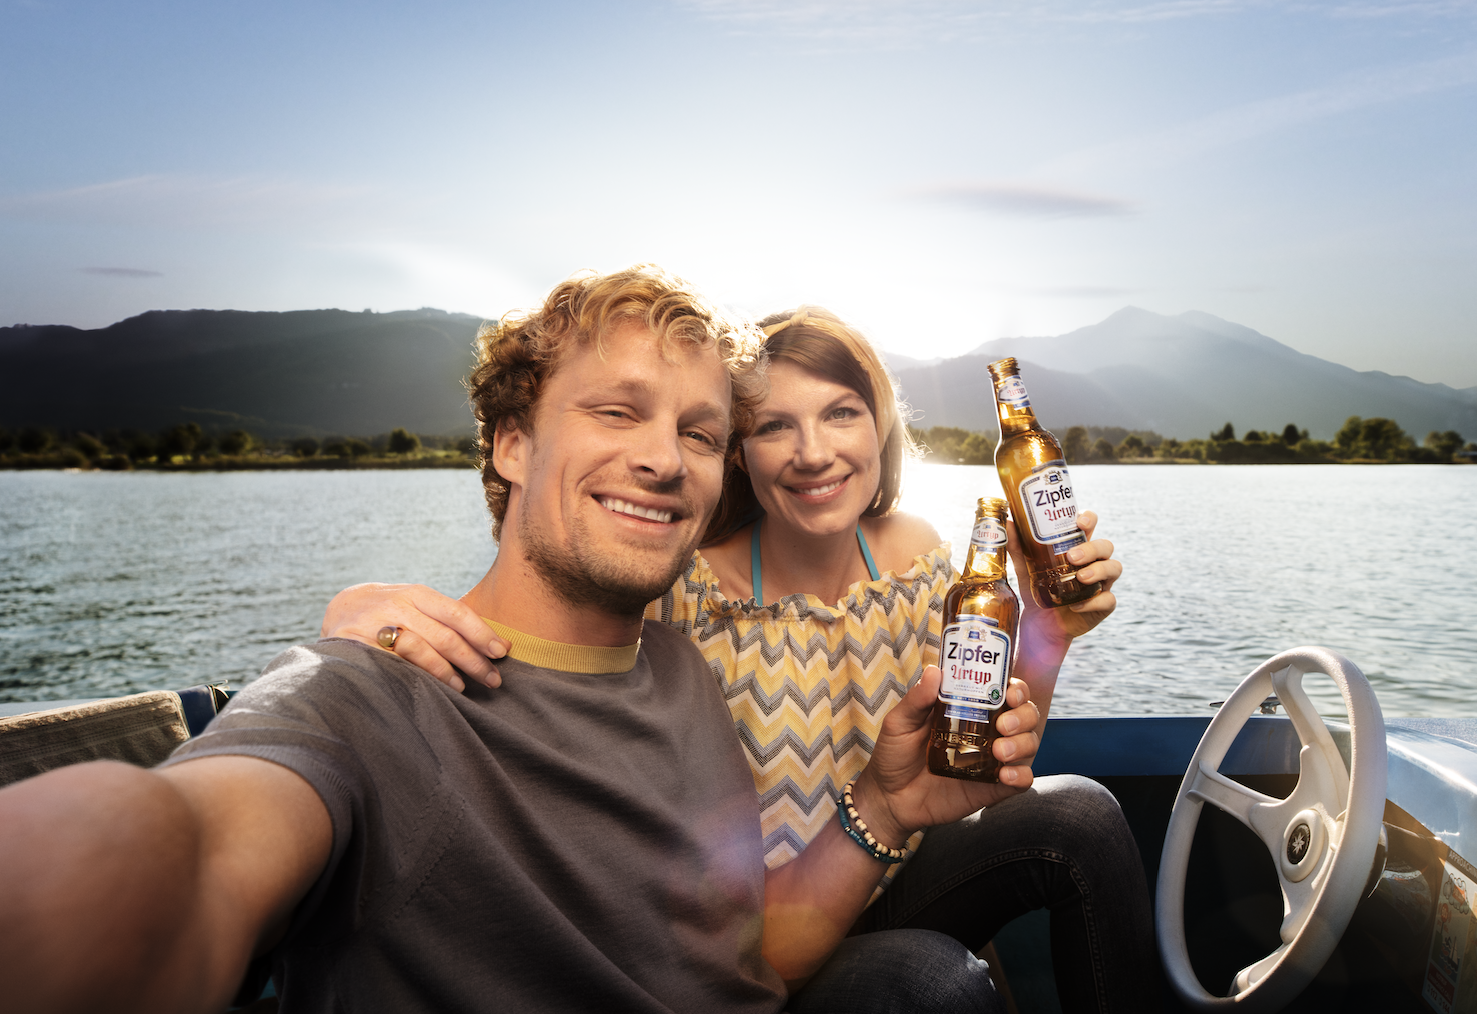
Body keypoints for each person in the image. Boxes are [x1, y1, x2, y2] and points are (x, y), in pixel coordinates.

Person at [0, 268, 1046, 1014]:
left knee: (924, 979)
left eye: (696, 433)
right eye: (615, 412)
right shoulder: (368, 691)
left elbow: (750, 964)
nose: (663, 460)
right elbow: (179, 855)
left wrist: (889, 803)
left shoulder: (681, 668)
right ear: (510, 442)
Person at [323, 306, 1157, 1010]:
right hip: (757, 929)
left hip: (895, 867)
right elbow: (541, 611)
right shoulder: (680, 583)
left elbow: (988, 753)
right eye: (772, 426)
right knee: (931, 980)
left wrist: (1049, 631)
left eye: (840, 413)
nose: (813, 452)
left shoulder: (914, 556)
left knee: (1079, 811)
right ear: (737, 453)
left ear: (880, 428)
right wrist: (367, 615)